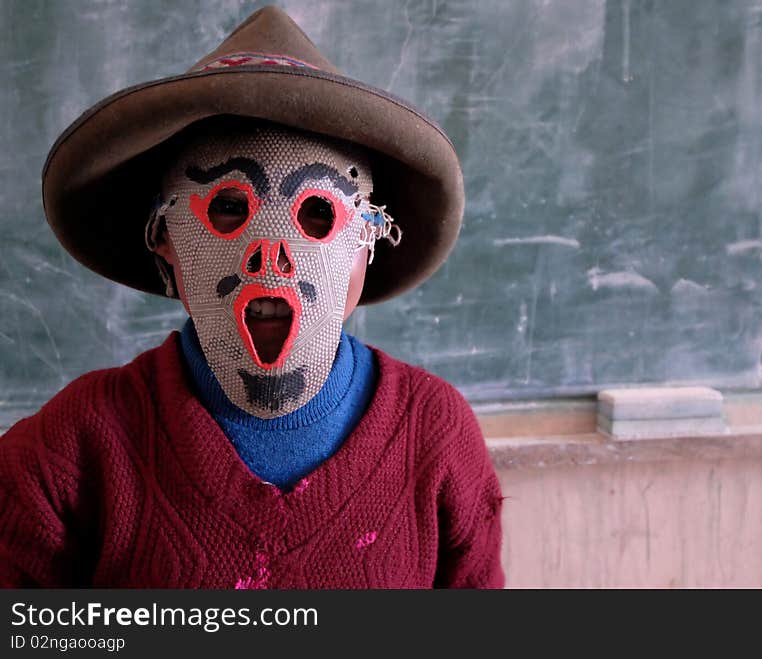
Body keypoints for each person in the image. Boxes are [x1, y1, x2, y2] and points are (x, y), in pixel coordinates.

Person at [0, 6, 503, 589]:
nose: (272, 254)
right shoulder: (70, 452)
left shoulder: (435, 438)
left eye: (318, 213)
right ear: (164, 240)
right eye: (229, 207)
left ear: (368, 244)